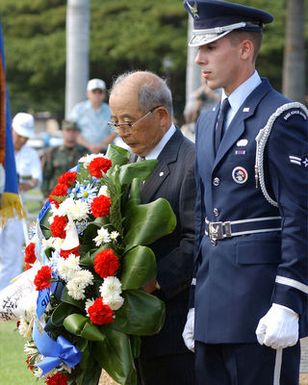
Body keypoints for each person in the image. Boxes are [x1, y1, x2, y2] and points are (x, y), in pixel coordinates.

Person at [182, 1, 308, 385]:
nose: (200, 59)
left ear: (244, 49)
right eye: (199, 48)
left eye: (210, 47)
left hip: (260, 305)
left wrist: (288, 300)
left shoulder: (281, 116)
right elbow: (205, 218)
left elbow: (299, 215)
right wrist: (194, 303)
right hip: (211, 302)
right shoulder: (206, 123)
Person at [109, 70, 196, 385]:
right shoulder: (125, 164)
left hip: (171, 329)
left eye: (128, 121)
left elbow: (195, 240)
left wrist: (152, 280)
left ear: (161, 116)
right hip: (133, 331)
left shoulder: (191, 162)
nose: (121, 131)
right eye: (114, 121)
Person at [0, 112, 42, 290]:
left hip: (15, 207)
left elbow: (35, 179)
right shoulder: (3, 148)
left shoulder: (30, 153)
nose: (22, 140)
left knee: (12, 253)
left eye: (26, 137)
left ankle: (4, 295)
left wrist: (23, 184)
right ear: (11, 130)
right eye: (19, 135)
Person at [41, 120, 88, 199]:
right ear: (62, 132)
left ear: (77, 133)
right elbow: (46, 176)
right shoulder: (52, 152)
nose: (71, 133)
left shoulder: (85, 153)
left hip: (79, 198)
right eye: (68, 130)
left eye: (74, 131)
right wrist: (46, 196)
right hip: (57, 197)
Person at [69, 78, 116, 154]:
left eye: (100, 92)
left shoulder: (111, 110)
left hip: (105, 152)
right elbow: (72, 129)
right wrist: (89, 146)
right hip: (82, 151)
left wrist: (100, 145)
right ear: (88, 93)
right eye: (94, 91)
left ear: (104, 94)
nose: (97, 94)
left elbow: (115, 131)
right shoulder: (78, 109)